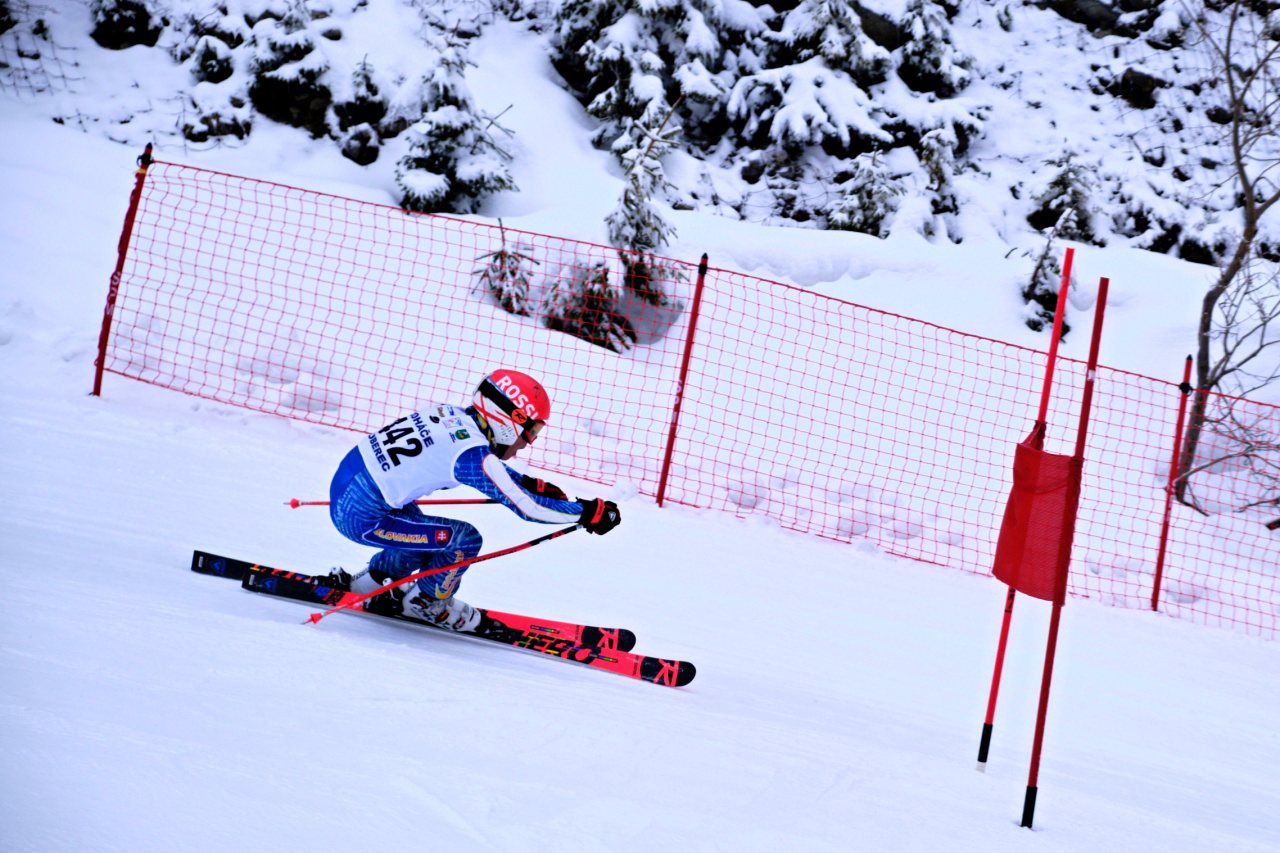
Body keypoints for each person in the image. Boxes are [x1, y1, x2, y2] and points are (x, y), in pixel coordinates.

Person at [324, 369, 621, 633]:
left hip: (350, 490)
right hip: (363, 517)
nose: (527, 442)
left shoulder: (450, 415)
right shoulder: (470, 453)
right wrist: (587, 512)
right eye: (531, 431)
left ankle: (370, 583)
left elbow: (494, 474)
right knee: (464, 540)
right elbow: (528, 508)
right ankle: (426, 603)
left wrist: (528, 483)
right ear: (510, 420)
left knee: (429, 538)